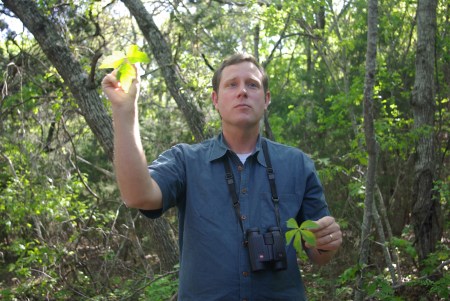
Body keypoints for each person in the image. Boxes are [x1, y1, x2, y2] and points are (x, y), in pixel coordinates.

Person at [102, 53, 342, 300]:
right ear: (215, 99)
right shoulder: (185, 160)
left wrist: (327, 242)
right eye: (231, 84)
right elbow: (137, 196)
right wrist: (124, 111)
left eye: (252, 84)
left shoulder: (297, 164)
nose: (242, 92)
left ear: (266, 99)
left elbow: (319, 254)